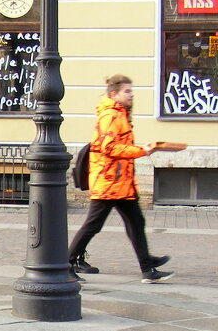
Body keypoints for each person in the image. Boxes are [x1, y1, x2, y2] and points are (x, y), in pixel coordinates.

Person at [68, 74, 173, 284]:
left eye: (131, 90)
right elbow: (109, 148)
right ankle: (66, 263)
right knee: (93, 225)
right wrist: (141, 150)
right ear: (114, 94)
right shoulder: (111, 116)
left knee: (136, 222)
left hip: (120, 183)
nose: (131, 94)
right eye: (127, 91)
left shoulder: (120, 114)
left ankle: (147, 267)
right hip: (109, 182)